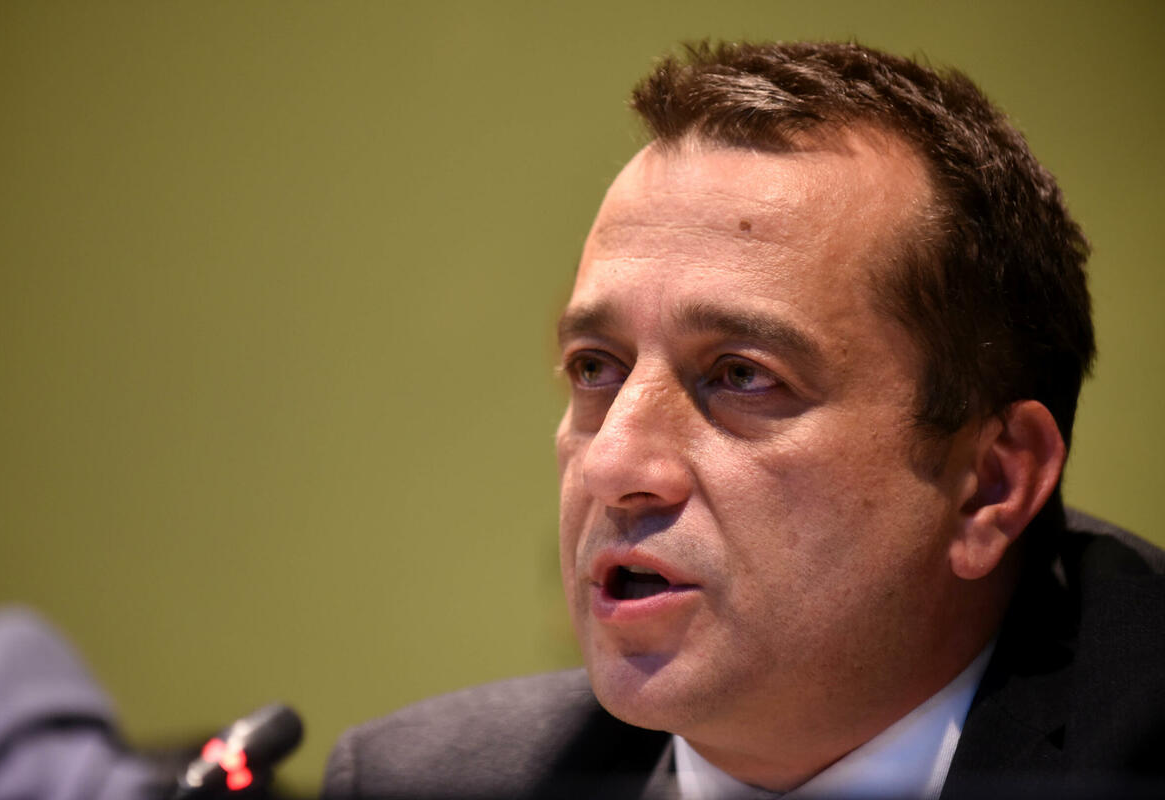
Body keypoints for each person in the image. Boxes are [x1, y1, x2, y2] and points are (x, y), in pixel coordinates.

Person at [322, 41, 1165, 799]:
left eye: (741, 377)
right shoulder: (427, 777)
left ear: (990, 485)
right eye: (595, 368)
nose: (613, 465)